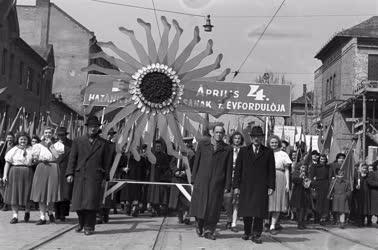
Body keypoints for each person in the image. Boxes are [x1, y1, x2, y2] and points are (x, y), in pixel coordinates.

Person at [66, 116, 114, 235]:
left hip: (95, 176)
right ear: (87, 128)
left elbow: (106, 162)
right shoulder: (78, 141)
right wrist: (70, 173)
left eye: (96, 127)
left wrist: (105, 177)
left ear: (98, 128)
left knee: (91, 203)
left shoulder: (103, 143)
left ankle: (89, 226)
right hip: (80, 175)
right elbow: (72, 158)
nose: (93, 129)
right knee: (78, 203)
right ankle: (81, 222)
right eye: (91, 127)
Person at [233, 126, 275, 244]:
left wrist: (271, 186)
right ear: (251, 138)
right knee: (247, 211)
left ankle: (256, 234)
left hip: (262, 187)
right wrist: (236, 186)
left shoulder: (268, 152)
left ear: (262, 138)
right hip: (246, 186)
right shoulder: (243, 151)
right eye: (254, 136)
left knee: (259, 212)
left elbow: (271, 171)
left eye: (259, 137)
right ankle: (247, 232)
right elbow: (237, 170)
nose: (256, 139)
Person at [190, 124, 233, 240]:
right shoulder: (203, 145)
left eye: (221, 132)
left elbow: (229, 168)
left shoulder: (228, 149)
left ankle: (209, 230)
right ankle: (199, 224)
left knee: (213, 206)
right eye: (217, 132)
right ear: (213, 133)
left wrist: (227, 185)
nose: (219, 134)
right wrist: (193, 179)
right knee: (200, 204)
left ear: (224, 134)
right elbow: (196, 162)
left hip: (217, 181)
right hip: (202, 180)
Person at [30, 127, 62, 225]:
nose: (47, 134)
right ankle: (42, 216)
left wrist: (50, 145)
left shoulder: (57, 144)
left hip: (53, 167)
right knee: (41, 193)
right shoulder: (38, 146)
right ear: (43, 134)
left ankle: (51, 213)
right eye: (46, 132)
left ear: (53, 134)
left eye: (49, 132)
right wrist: (35, 159)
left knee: (51, 192)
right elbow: (34, 159)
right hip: (42, 167)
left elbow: (57, 156)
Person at [2, 132, 34, 223]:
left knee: (27, 193)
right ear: (18, 140)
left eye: (24, 139)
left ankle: (27, 212)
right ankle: (15, 216)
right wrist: (5, 175)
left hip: (28, 172)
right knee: (14, 194)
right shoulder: (13, 150)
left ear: (28, 140)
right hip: (14, 173)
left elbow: (36, 160)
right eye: (21, 139)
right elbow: (7, 163)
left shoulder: (32, 149)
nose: (23, 141)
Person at [267, 135, 291, 234]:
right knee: (268, 201)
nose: (274, 144)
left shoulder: (283, 154)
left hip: (280, 177)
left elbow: (286, 170)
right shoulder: (265, 153)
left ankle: (273, 225)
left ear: (279, 143)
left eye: (275, 142)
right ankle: (265, 223)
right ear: (269, 143)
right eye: (272, 142)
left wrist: (287, 183)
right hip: (267, 177)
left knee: (278, 203)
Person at [168, 137, 195, 224]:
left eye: (188, 143)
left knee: (187, 199)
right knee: (177, 200)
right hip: (176, 179)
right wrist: (176, 171)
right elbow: (172, 164)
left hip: (186, 180)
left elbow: (194, 167)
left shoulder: (192, 154)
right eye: (184, 143)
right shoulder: (176, 153)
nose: (186, 145)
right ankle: (180, 216)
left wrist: (185, 172)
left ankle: (187, 216)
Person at [120, 144, 149, 217]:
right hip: (128, 179)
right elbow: (119, 167)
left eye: (137, 150)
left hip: (138, 180)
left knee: (136, 196)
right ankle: (128, 208)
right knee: (128, 196)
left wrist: (144, 180)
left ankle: (135, 209)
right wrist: (123, 169)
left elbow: (145, 171)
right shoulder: (127, 158)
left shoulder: (142, 159)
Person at [223, 131, 243, 232]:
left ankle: (234, 223)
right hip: (228, 178)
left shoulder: (244, 150)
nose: (237, 140)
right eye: (235, 138)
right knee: (227, 200)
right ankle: (228, 219)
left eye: (239, 138)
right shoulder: (227, 149)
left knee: (236, 201)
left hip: (239, 179)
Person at [147, 140, 172, 216]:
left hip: (160, 178)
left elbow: (167, 166)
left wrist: (160, 167)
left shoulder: (164, 156)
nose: (158, 148)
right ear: (154, 147)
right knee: (152, 195)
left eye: (159, 146)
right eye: (157, 146)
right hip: (152, 178)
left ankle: (158, 210)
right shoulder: (151, 155)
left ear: (161, 147)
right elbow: (147, 165)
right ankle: (153, 210)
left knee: (159, 196)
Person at [53, 127, 73, 222]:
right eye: (59, 135)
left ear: (66, 135)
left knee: (66, 192)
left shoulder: (72, 144)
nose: (61, 137)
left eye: (63, 135)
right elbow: (54, 158)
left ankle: (63, 214)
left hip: (67, 170)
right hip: (56, 170)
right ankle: (57, 213)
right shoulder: (54, 145)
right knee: (56, 192)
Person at [310, 154, 330, 225]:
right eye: (321, 159)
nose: (322, 161)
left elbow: (329, 176)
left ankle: (323, 218)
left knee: (325, 202)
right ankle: (316, 218)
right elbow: (311, 176)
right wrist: (313, 184)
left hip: (326, 185)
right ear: (319, 159)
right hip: (317, 184)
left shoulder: (328, 167)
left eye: (324, 159)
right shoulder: (315, 167)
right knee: (317, 202)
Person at [290, 164, 312, 229]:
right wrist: (300, 177)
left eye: (305, 167)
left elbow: (310, 182)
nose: (304, 168)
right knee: (300, 209)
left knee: (305, 208)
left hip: (306, 193)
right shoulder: (296, 173)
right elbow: (294, 180)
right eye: (302, 167)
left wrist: (309, 181)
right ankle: (299, 223)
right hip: (298, 193)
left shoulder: (307, 174)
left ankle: (303, 222)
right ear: (299, 168)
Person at [0, 132, 16, 211]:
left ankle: (7, 204)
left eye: (11, 138)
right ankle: (5, 201)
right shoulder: (2, 146)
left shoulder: (16, 146)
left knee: (9, 186)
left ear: (13, 138)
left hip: (12, 168)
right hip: (2, 168)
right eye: (8, 138)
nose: (9, 139)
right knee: (1, 186)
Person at [367, 161, 378, 226]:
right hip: (374, 193)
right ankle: (369, 220)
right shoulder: (372, 173)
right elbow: (370, 182)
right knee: (372, 208)